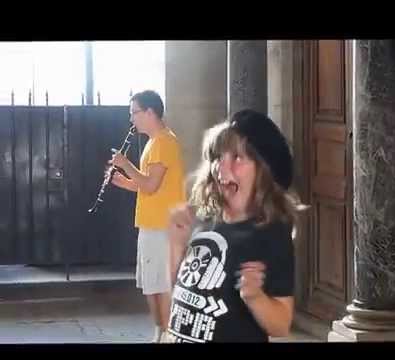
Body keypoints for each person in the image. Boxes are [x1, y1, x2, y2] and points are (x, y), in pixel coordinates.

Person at [164, 109, 303, 343]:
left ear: (263, 172)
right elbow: (183, 295)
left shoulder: (271, 233)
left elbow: (280, 325)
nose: (221, 168)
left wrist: (255, 297)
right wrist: (177, 245)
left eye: (237, 157)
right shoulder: (206, 220)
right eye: (218, 157)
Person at [109, 90, 186, 343]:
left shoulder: (164, 141)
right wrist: (122, 181)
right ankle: (161, 332)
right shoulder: (155, 142)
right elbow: (148, 185)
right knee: (152, 286)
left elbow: (151, 185)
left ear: (150, 112)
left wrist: (124, 163)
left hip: (162, 226)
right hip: (152, 224)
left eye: (135, 113)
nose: (132, 119)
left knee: (160, 286)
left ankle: (165, 335)